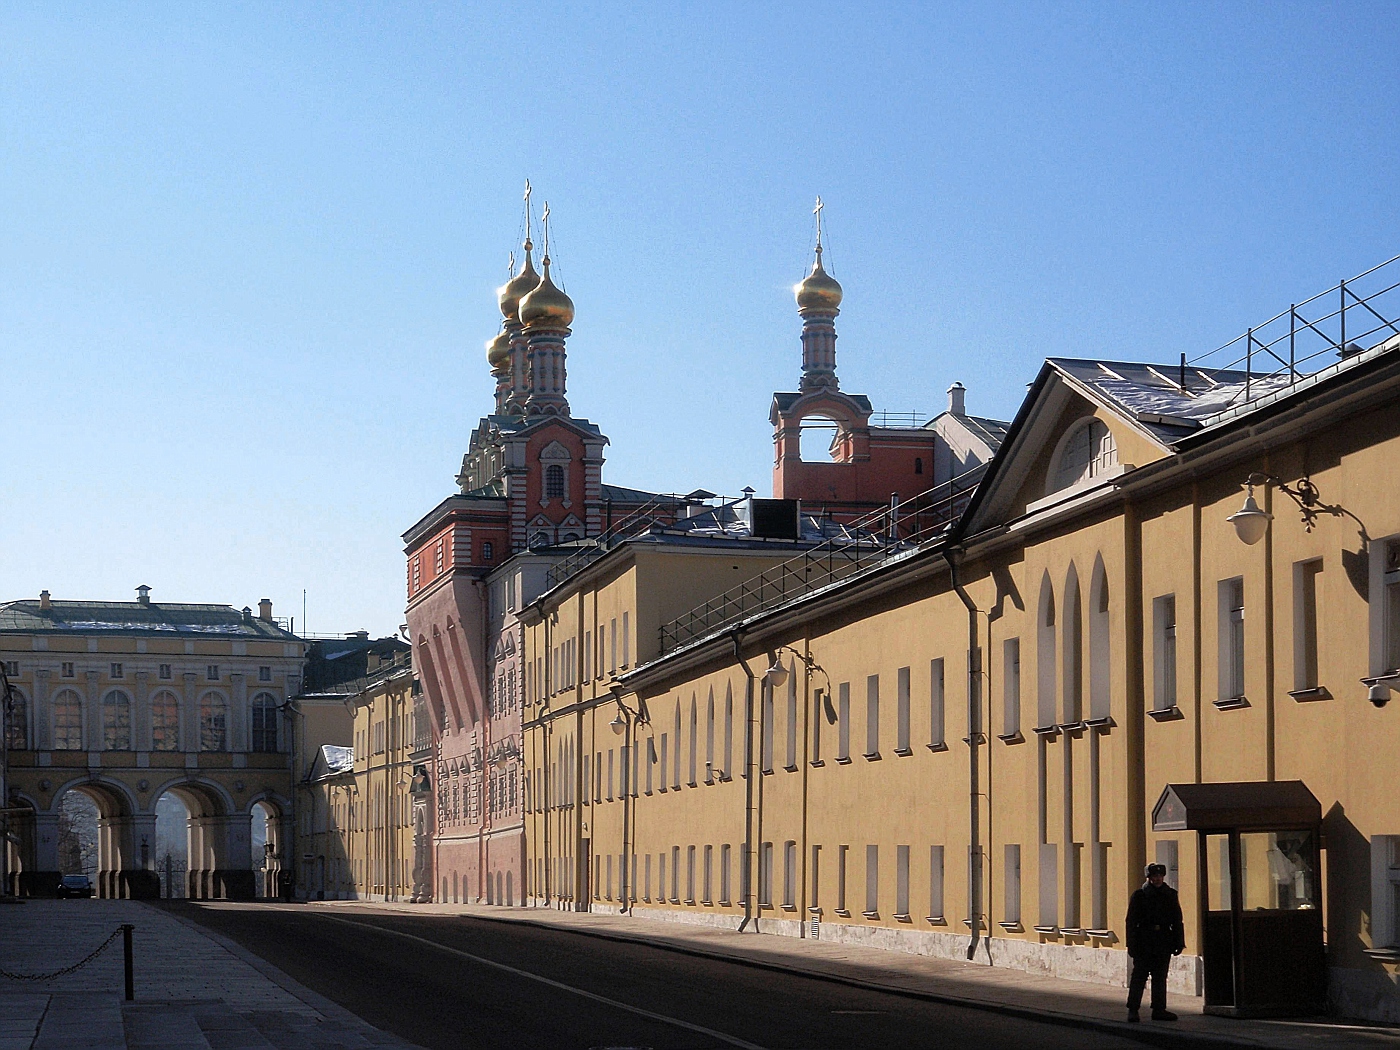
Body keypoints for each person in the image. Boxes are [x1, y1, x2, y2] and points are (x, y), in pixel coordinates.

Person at [1125, 862, 1184, 1022]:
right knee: (1139, 976)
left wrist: (1179, 942)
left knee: (1160, 977)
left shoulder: (1170, 895)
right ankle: (1133, 1009)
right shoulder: (1140, 895)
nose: (1157, 879)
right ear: (1149, 877)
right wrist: (1131, 944)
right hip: (1144, 940)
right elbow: (1131, 922)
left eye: (1160, 876)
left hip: (1163, 939)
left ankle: (1159, 1009)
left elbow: (1177, 920)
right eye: (1154, 876)